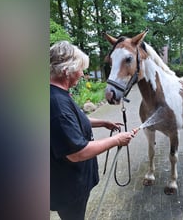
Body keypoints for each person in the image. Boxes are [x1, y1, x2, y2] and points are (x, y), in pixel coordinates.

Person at [50, 41, 134, 220]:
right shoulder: (57, 104)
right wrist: (117, 140)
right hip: (69, 188)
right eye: (80, 69)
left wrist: (103, 122)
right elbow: (78, 153)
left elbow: (73, 121)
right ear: (67, 70)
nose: (82, 74)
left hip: (68, 183)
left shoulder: (56, 94)